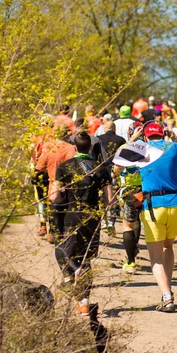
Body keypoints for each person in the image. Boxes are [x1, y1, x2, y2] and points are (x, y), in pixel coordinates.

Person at [54, 132, 113, 316]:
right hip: (92, 216)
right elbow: (109, 200)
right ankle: (84, 303)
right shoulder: (101, 168)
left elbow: (55, 196)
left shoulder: (64, 167)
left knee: (62, 251)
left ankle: (72, 273)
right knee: (85, 257)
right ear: (90, 148)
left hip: (72, 214)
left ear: (74, 147)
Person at [139, 122, 177, 312]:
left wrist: (133, 140)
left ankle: (167, 296)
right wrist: (175, 138)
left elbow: (118, 164)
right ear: (163, 134)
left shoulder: (140, 149)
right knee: (168, 246)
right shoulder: (174, 147)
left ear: (145, 136)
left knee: (155, 257)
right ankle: (166, 290)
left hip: (153, 205)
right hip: (176, 203)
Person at [35, 125, 77, 245]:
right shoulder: (72, 149)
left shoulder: (49, 148)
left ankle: (52, 233)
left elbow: (39, 168)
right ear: (68, 135)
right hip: (69, 185)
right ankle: (65, 234)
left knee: (54, 209)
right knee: (67, 211)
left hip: (53, 185)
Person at [112, 127, 145, 274]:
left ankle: (130, 261)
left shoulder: (125, 150)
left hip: (128, 191)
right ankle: (134, 248)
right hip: (145, 191)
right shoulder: (150, 151)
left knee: (127, 225)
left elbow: (115, 171)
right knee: (137, 222)